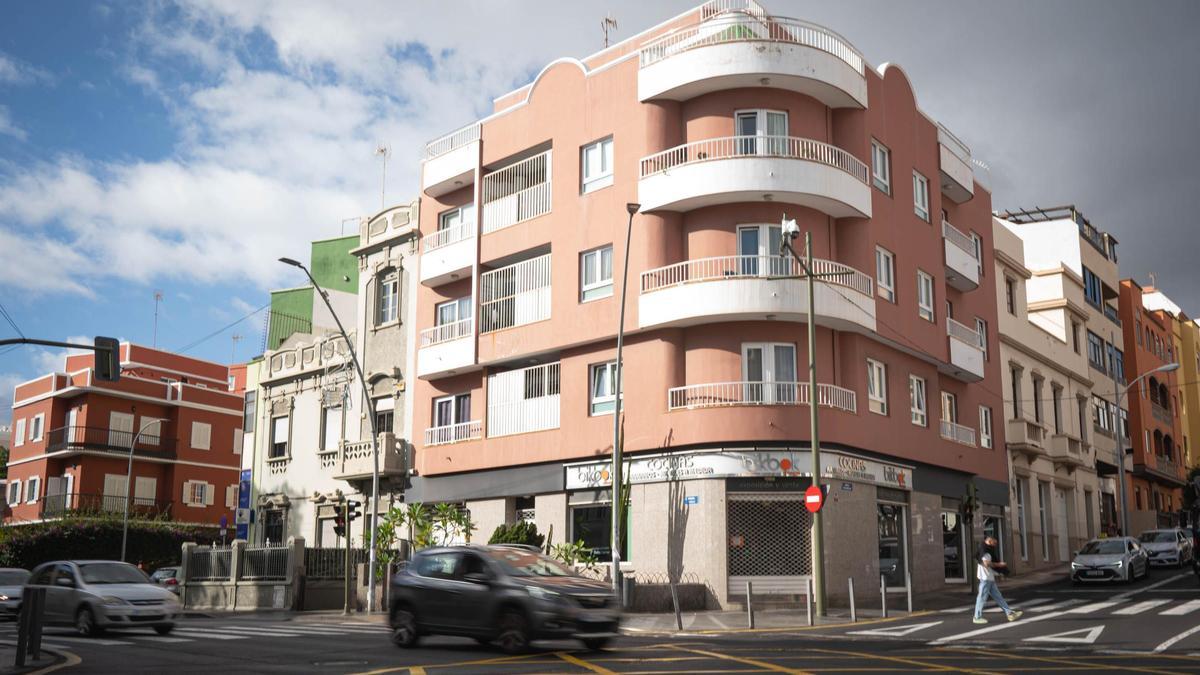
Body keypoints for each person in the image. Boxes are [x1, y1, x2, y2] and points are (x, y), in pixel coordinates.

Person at [973, 536, 1021, 624]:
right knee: (982, 597)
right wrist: (999, 565)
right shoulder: (985, 550)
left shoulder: (985, 549)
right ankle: (977, 617)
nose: (995, 545)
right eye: (994, 543)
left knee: (998, 596)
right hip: (985, 578)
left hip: (989, 577)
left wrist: (998, 572)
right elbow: (986, 563)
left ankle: (1009, 613)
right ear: (989, 541)